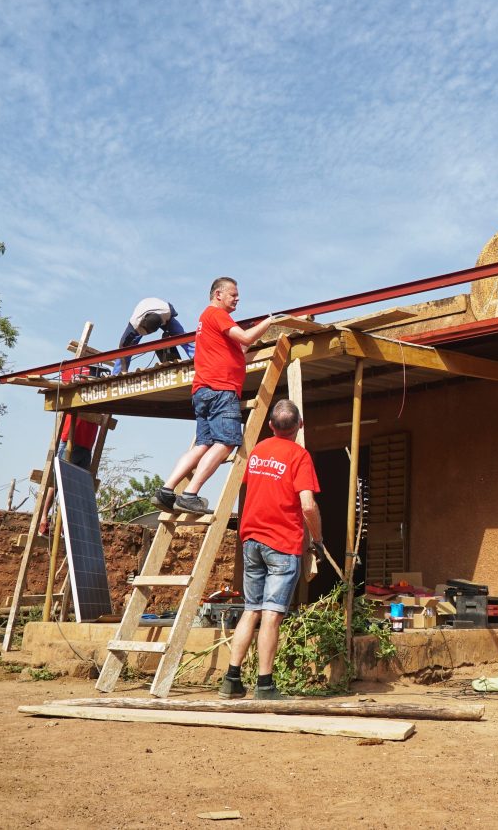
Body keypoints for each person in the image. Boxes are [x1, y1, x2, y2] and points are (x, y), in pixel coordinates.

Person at [219, 399, 323, 700]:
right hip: (281, 544)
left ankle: (232, 680)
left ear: (270, 426)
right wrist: (317, 539)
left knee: (251, 610)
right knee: (272, 615)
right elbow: (307, 504)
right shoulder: (300, 456)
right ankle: (264, 685)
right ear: (300, 425)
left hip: (251, 541)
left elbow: (255, 488)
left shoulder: (258, 452)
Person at [153, 277, 275, 515]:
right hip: (221, 389)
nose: (237, 298)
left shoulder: (207, 320)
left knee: (203, 445)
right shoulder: (217, 314)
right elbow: (247, 338)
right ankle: (190, 494)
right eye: (233, 294)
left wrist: (252, 334)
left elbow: (240, 347)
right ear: (218, 294)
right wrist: (269, 321)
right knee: (227, 442)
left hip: (203, 390)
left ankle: (166, 491)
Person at [37, 365, 101, 535]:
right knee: (57, 481)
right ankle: (44, 518)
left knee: (77, 486)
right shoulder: (77, 387)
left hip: (86, 445)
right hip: (71, 440)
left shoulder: (99, 394)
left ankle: (65, 523)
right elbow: (67, 381)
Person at [111, 297, 195, 375]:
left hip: (161, 315)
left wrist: (167, 332)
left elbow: (172, 317)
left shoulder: (167, 311)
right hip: (144, 311)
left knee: (181, 336)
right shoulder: (135, 324)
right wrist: (124, 370)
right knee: (125, 350)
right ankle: (117, 373)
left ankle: (196, 356)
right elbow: (122, 345)